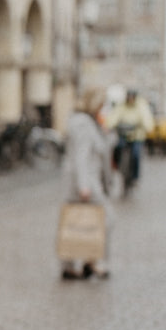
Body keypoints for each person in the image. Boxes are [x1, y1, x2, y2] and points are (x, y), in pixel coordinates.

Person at [61, 86, 112, 280]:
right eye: (101, 104)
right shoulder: (83, 123)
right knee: (106, 219)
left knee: (73, 223)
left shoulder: (85, 121)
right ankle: (92, 260)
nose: (103, 108)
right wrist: (84, 186)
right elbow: (81, 157)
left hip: (80, 181)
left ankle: (73, 264)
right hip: (86, 182)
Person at [105, 87, 155, 189]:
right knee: (117, 148)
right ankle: (117, 167)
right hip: (123, 134)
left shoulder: (141, 105)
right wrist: (109, 125)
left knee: (136, 155)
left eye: (132, 97)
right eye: (129, 97)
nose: (130, 99)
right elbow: (115, 116)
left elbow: (146, 117)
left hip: (137, 135)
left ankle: (135, 177)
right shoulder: (122, 105)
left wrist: (148, 127)